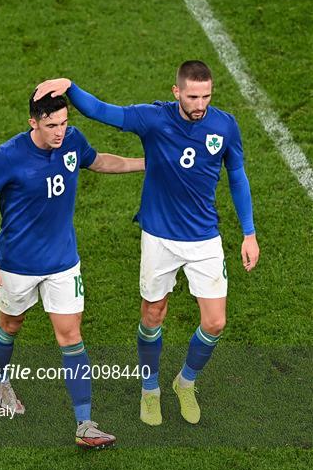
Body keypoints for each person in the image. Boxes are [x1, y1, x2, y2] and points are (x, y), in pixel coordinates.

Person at [35, 61, 260, 426]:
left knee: (215, 322)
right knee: (153, 314)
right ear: (177, 92)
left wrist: (248, 233)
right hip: (159, 236)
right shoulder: (153, 119)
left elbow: (236, 175)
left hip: (204, 237)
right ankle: (150, 388)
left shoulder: (224, 126)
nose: (200, 103)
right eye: (192, 96)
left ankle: (185, 382)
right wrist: (71, 88)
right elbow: (105, 113)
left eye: (206, 95)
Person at [0, 90, 144, 449]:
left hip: (64, 262)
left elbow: (98, 161)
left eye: (64, 123)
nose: (60, 132)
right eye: (51, 125)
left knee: (71, 336)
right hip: (17, 264)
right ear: (33, 122)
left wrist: (146, 162)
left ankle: (85, 423)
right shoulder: (8, 156)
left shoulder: (72, 141)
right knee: (10, 323)